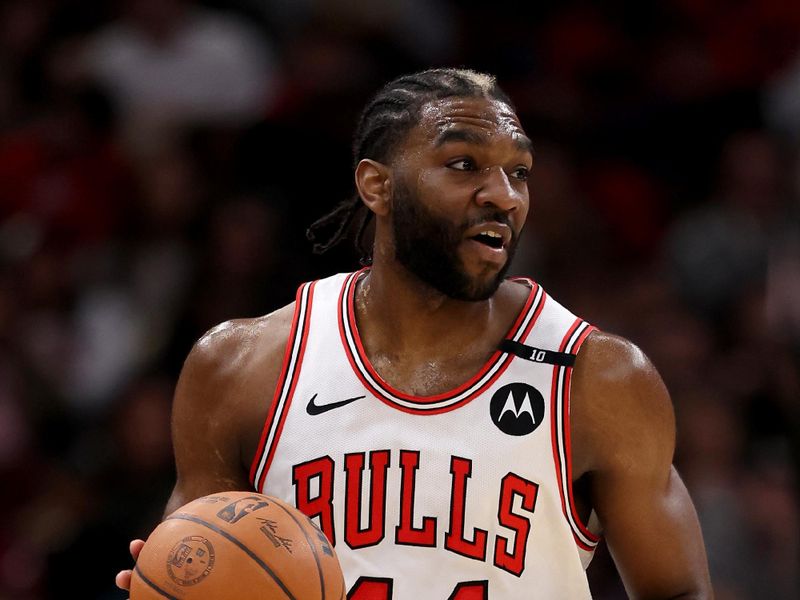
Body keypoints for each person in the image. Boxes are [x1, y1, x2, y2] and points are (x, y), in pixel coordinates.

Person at [117, 68, 712, 598]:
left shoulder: (596, 377)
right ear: (376, 185)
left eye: (519, 172)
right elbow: (198, 573)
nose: (504, 195)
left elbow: (678, 591)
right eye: (464, 165)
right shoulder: (241, 367)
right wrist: (172, 583)